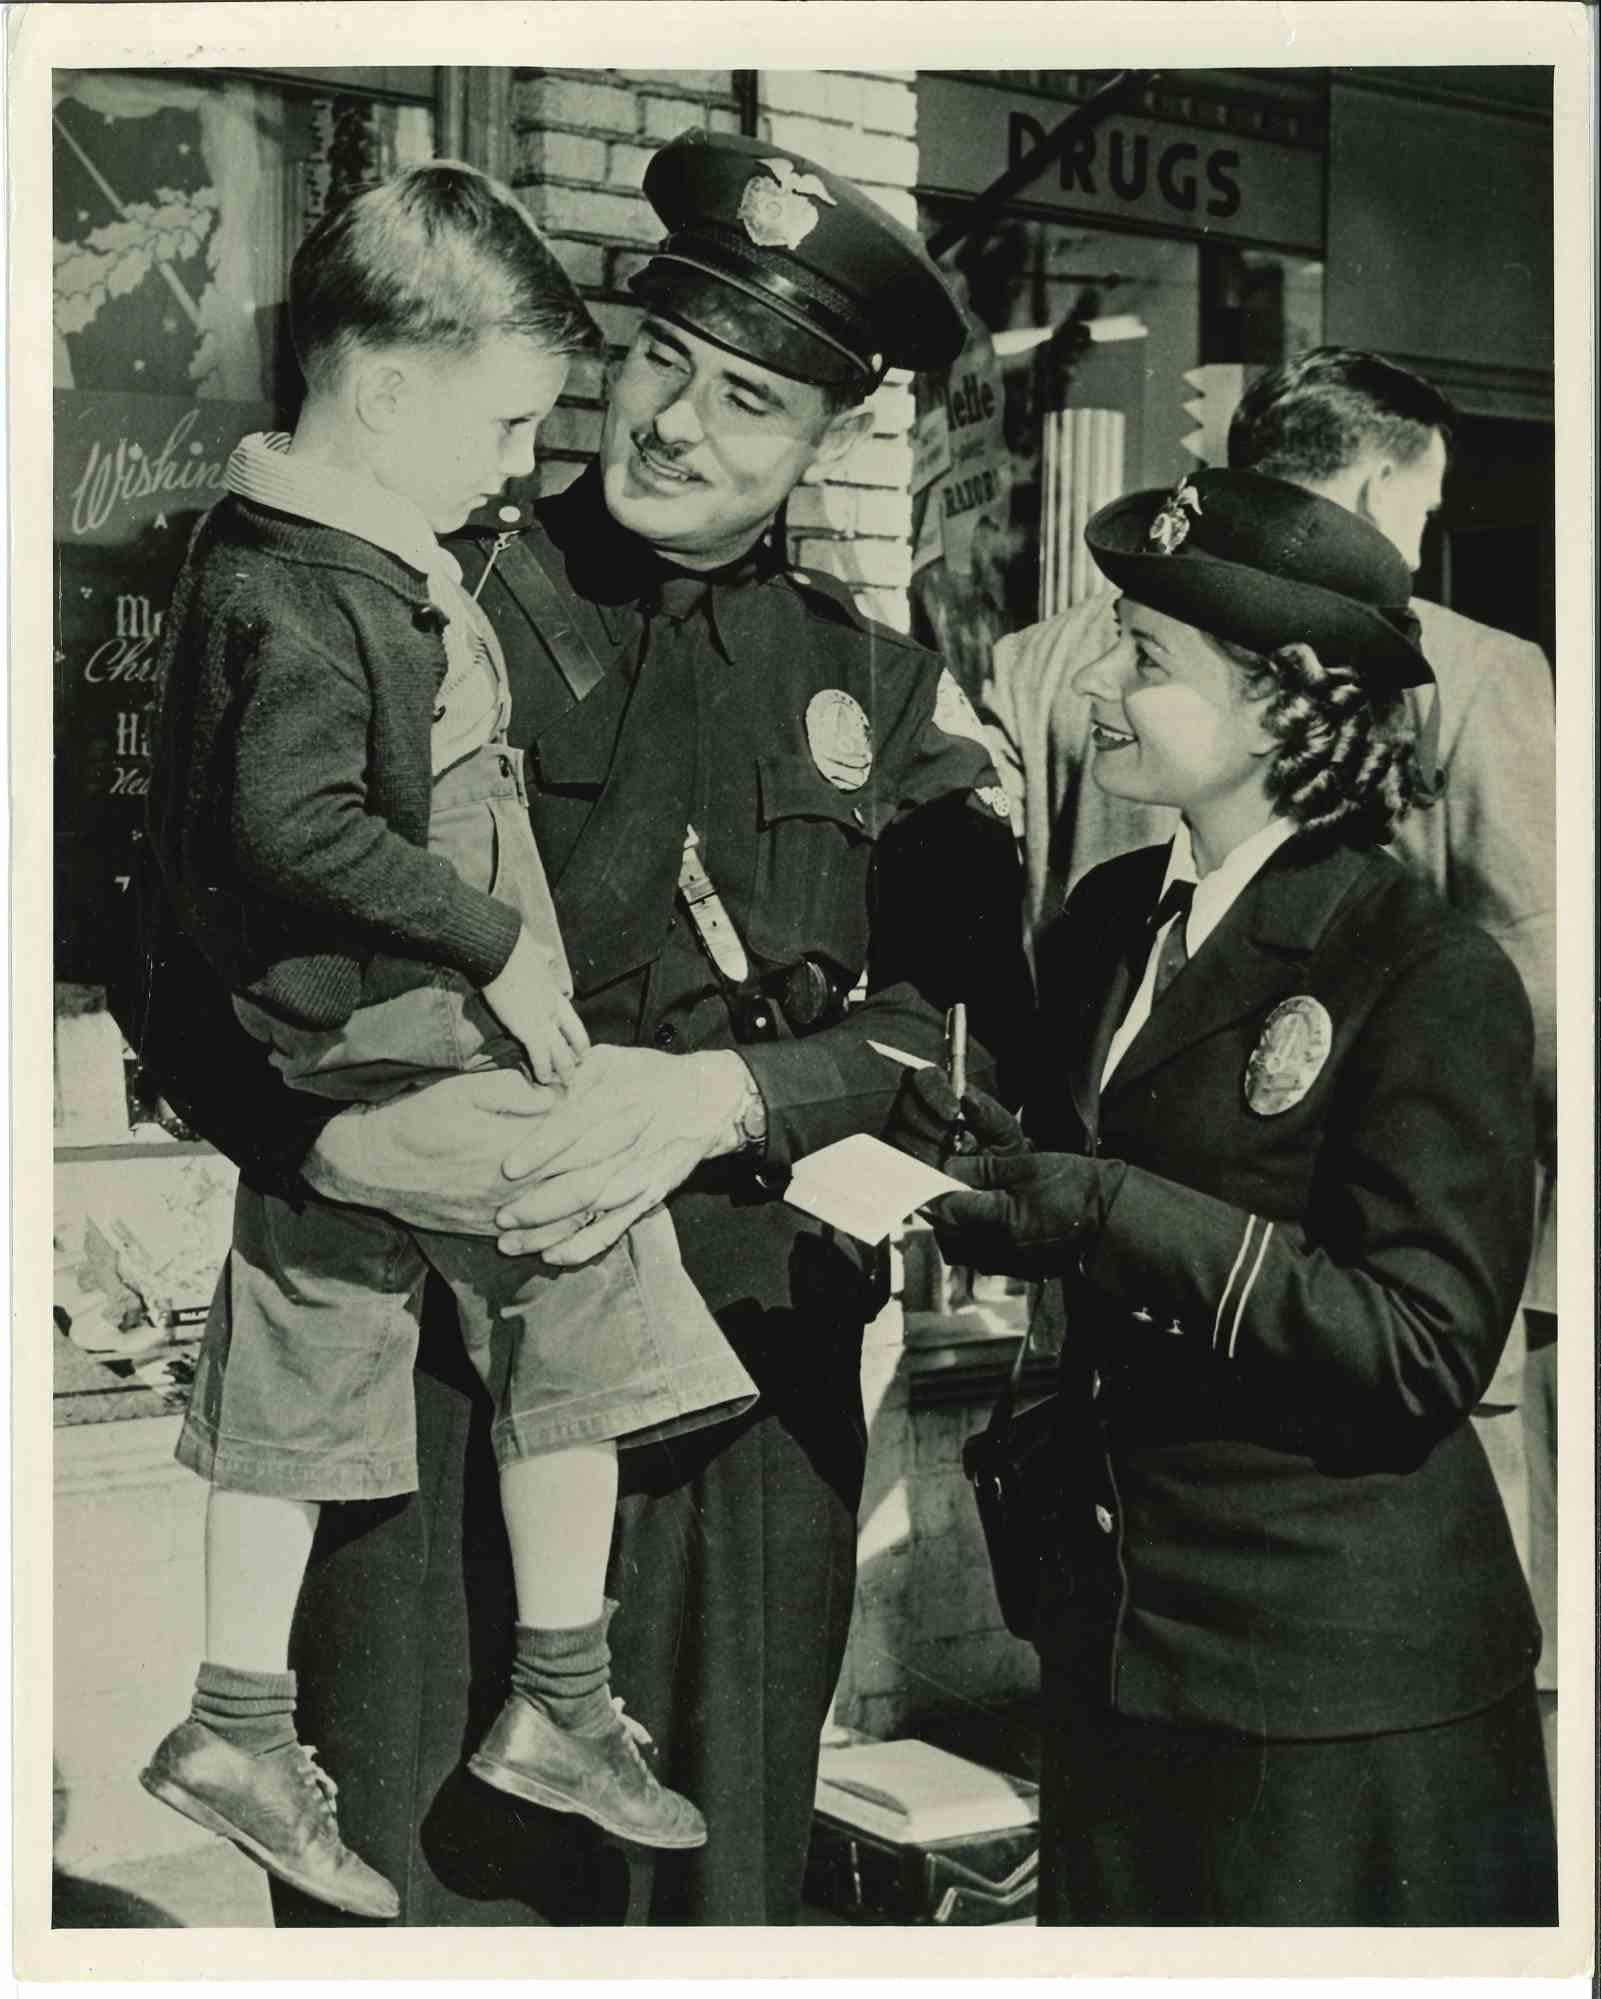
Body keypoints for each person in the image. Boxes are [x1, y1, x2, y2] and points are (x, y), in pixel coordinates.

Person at [139, 131, 1030, 1926]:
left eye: (750, 402)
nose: (678, 425)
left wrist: (724, 1095)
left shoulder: (876, 685)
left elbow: (970, 1044)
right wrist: (309, 1135)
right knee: (398, 1896)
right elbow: (174, 944)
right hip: (428, 1383)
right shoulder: (401, 596)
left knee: (712, 1903)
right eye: (660, 365)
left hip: (751, 1400)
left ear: (823, 441)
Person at [138, 164, 759, 1920]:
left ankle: (236, 1721)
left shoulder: (291, 555)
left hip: (334, 1068)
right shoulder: (306, 588)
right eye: (504, 420)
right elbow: (287, 827)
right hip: (388, 1043)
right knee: (578, 1216)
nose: (519, 459)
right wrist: (489, 941)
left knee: (306, 1332)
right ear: (387, 388)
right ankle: (561, 1699)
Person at [900, 467, 1556, 1924]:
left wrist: (1103, 1211)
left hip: (1334, 1692)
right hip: (1125, 1655)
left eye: (1144, 660)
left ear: (1283, 701)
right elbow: (1075, 1167)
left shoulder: (1420, 970)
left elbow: (1420, 1349)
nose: (1100, 697)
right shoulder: (1111, 923)